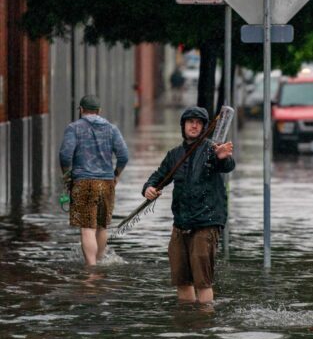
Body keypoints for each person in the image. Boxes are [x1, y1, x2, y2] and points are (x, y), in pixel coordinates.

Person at [142, 106, 235, 303]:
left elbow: (227, 165)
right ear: (183, 126)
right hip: (181, 224)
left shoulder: (213, 149)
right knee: (182, 281)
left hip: (206, 223)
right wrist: (148, 188)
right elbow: (158, 177)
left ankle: (204, 323)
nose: (194, 125)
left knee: (203, 281)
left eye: (199, 122)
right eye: (190, 121)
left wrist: (222, 157)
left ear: (203, 127)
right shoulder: (174, 155)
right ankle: (186, 324)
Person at [59, 95, 129, 266]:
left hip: (83, 182)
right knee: (102, 226)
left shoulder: (73, 128)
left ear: (81, 110)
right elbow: (123, 156)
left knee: (87, 228)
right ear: (99, 111)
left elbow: (65, 155)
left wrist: (67, 176)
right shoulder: (112, 129)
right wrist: (116, 175)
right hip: (106, 182)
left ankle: (91, 268)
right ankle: (99, 262)